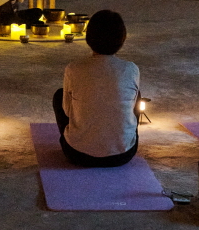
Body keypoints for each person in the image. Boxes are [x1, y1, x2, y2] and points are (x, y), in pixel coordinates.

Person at [52, 10, 140, 167]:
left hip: (77, 154)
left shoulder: (74, 69)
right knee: (136, 95)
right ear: (122, 39)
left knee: (60, 96)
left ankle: (78, 138)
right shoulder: (131, 69)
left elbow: (67, 111)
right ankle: (120, 138)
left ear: (89, 37)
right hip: (122, 155)